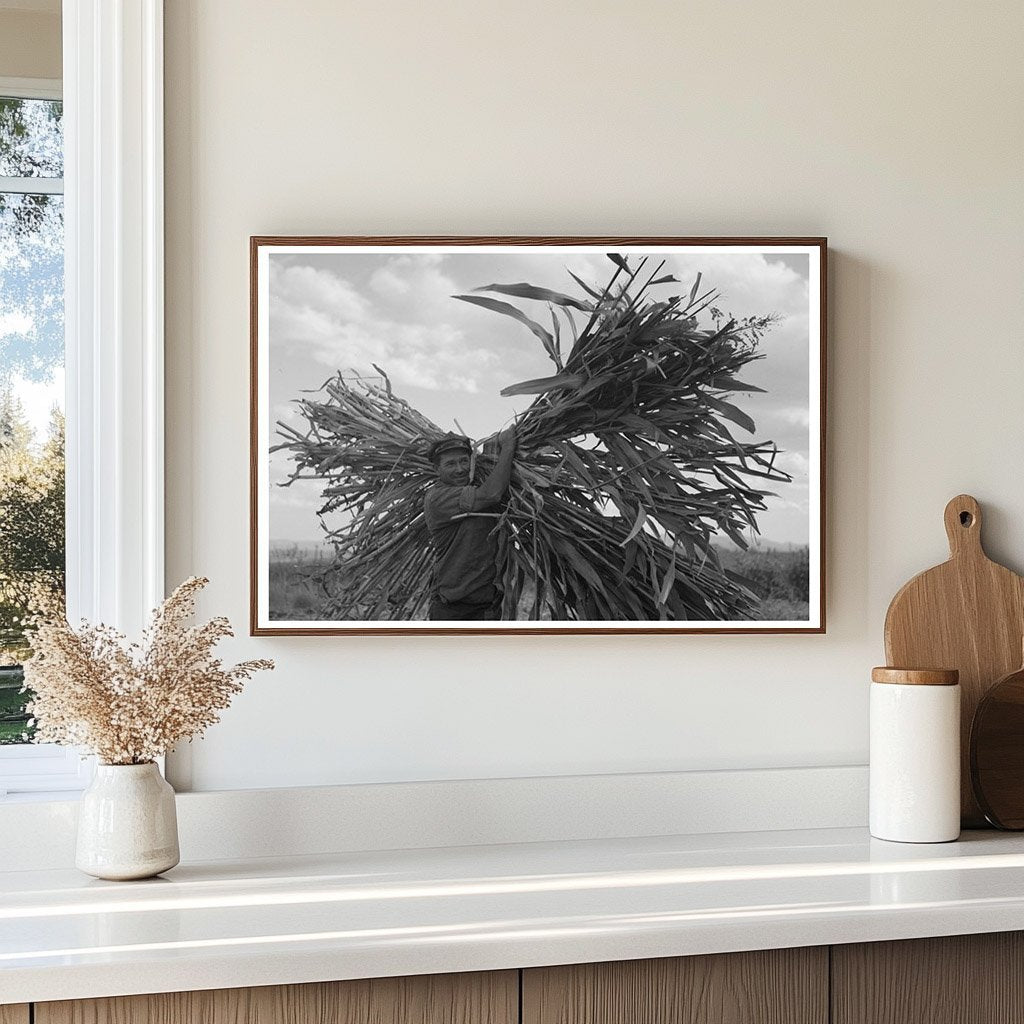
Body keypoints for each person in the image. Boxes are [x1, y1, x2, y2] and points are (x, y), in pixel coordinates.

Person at [423, 427, 516, 620]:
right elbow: (492, 494)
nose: (460, 469)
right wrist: (508, 446)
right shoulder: (438, 498)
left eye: (464, 461)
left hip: (488, 607)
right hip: (454, 610)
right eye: (450, 464)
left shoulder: (476, 488)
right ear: (436, 469)